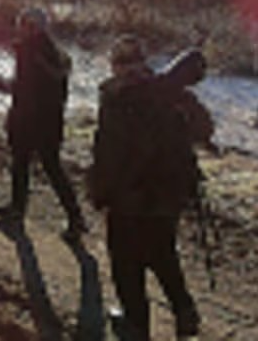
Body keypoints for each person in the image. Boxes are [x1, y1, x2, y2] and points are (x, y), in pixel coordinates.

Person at [87, 36, 211, 341]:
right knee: (162, 252)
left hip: (129, 197)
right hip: (168, 196)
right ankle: (184, 310)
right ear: (143, 61)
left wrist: (99, 192)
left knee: (126, 264)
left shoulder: (116, 98)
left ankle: (136, 326)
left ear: (116, 65)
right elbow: (205, 129)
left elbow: (108, 154)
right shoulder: (168, 90)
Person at [0, 8, 87, 240]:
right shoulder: (50, 51)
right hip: (47, 120)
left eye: (25, 25)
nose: (21, 29)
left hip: (34, 120)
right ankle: (20, 208)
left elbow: (28, 89)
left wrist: (17, 114)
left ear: (34, 27)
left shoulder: (32, 50)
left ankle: (73, 218)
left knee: (45, 168)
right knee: (31, 165)